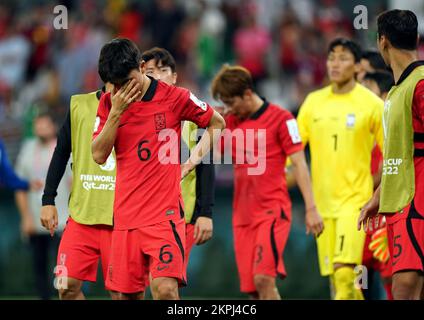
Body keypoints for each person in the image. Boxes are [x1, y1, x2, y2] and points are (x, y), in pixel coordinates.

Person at [92, 38, 225, 300]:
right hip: (126, 218)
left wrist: (190, 163)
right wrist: (116, 113)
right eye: (116, 85)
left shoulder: (174, 97)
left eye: (127, 80)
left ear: (141, 67)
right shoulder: (109, 104)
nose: (122, 89)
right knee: (126, 296)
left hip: (163, 217)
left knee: (165, 290)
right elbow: (98, 154)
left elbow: (216, 123)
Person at [211, 65, 323, 300]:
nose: (229, 108)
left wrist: (311, 208)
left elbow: (300, 165)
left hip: (272, 211)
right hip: (242, 217)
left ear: (248, 94)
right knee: (253, 288)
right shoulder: (230, 121)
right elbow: (211, 151)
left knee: (264, 278)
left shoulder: (282, 119)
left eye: (232, 102)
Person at [297, 38, 384, 300]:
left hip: (354, 204)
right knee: (339, 281)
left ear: (357, 66)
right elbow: (293, 152)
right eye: (331, 57)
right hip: (322, 207)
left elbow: (393, 152)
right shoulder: (313, 102)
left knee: (346, 274)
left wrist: (377, 191)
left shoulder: (372, 104)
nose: (335, 63)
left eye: (344, 58)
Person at [358, 9, 424, 300]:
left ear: (382, 42)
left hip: (418, 205)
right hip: (402, 203)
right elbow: (401, 154)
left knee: (404, 289)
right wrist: (379, 195)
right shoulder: (398, 90)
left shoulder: (420, 85)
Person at [40, 84, 119, 300]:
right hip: (81, 219)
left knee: (122, 294)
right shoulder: (80, 104)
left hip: (121, 223)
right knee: (65, 287)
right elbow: (61, 151)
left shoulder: (139, 107)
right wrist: (48, 199)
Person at [141, 47, 214, 270]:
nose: (157, 76)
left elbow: (206, 165)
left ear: (174, 77)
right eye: (150, 71)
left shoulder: (193, 115)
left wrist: (205, 213)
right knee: (133, 287)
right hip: (140, 213)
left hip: (181, 215)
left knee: (164, 284)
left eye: (163, 70)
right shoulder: (132, 113)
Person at [15, 112, 70, 300]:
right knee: (39, 267)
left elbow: (75, 184)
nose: (41, 129)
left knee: (63, 268)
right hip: (37, 221)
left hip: (62, 220)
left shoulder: (65, 147)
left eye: (45, 125)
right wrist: (26, 218)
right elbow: (20, 186)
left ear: (53, 127)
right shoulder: (28, 149)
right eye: (38, 126)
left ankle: (65, 295)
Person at [360, 70, 394, 300]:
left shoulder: (391, 127)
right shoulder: (361, 129)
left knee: (392, 276)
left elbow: (388, 169)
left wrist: (359, 186)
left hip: (385, 211)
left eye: (367, 90)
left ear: (383, 96)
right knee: (357, 275)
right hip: (360, 213)